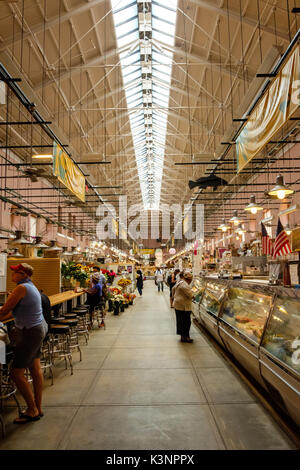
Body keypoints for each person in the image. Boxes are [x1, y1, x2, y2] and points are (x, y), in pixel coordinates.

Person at [0, 263, 48, 423]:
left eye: (14, 272)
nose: (12, 275)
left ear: (23, 274)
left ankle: (32, 410)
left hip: (29, 332)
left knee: (16, 372)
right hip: (38, 328)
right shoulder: (30, 286)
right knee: (35, 369)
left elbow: (3, 312)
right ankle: (38, 407)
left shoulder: (21, 288)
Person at [173, 272, 194, 343]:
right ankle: (186, 337)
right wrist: (194, 295)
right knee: (186, 322)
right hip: (183, 306)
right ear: (189, 279)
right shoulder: (184, 285)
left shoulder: (180, 282)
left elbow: (173, 289)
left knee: (181, 322)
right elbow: (190, 295)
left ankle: (183, 337)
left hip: (178, 304)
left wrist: (175, 297)